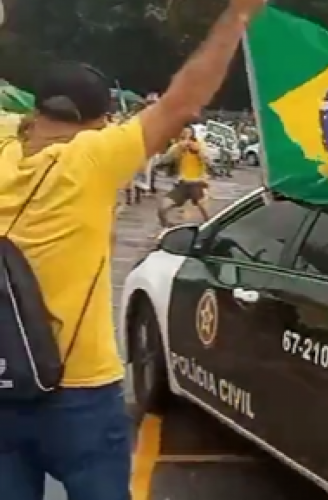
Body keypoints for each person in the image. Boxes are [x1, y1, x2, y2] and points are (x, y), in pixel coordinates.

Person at [0, 0, 266, 499]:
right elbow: (182, 103)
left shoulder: (5, 142)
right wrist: (238, 15)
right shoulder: (93, 158)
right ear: (101, 121)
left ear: (34, 110)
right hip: (77, 390)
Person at [157, 125, 211, 227]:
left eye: (188, 134)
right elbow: (164, 161)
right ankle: (167, 228)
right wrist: (177, 149)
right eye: (183, 134)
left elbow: (209, 161)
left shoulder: (199, 145)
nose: (186, 136)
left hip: (198, 183)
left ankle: (211, 228)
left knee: (204, 209)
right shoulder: (177, 147)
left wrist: (198, 151)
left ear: (193, 134)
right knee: (162, 208)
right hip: (182, 184)